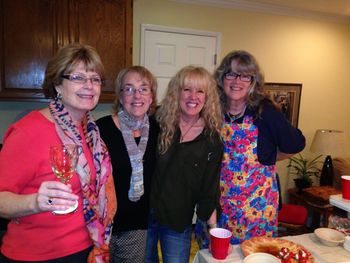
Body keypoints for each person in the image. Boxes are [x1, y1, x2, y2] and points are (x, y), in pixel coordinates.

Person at [0, 43, 117, 263]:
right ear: (57, 85)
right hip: (37, 255)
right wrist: (36, 202)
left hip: (88, 248)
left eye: (95, 79)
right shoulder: (28, 131)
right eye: (78, 77)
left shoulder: (91, 133)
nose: (89, 86)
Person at [211, 50, 305, 245]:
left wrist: (270, 156)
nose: (237, 81)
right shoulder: (213, 110)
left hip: (256, 206)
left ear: (253, 82)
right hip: (219, 201)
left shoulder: (265, 111)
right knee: (219, 253)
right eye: (230, 74)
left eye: (245, 75)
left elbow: (295, 143)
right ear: (221, 78)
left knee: (255, 253)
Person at [145, 66, 223, 263]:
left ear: (207, 97)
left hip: (178, 221)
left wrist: (214, 231)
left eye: (200, 91)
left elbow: (209, 188)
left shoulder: (211, 140)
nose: (193, 96)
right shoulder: (158, 122)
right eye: (187, 89)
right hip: (144, 215)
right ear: (176, 92)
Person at [96, 66, 159, 262]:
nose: (136, 95)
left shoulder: (159, 131)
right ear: (120, 96)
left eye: (143, 89)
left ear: (151, 97)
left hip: (136, 226)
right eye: (129, 89)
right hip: (100, 224)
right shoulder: (101, 129)